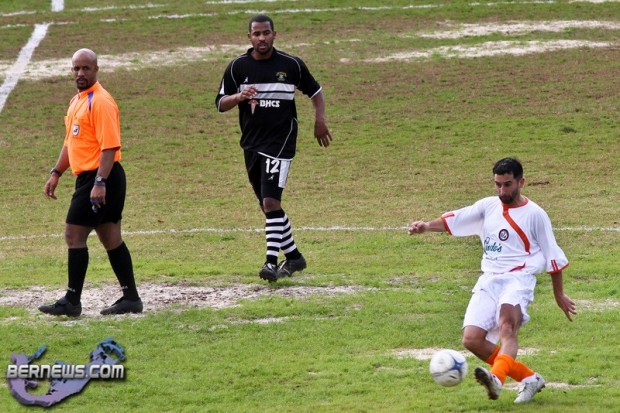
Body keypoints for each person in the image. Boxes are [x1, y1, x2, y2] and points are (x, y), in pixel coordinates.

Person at [408, 157, 576, 403]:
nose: (502, 191)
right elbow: (454, 220)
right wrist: (425, 226)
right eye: (498, 184)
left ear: (521, 182)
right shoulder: (487, 206)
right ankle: (530, 378)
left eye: (507, 185)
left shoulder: (536, 215)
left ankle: (496, 378)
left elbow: (553, 255)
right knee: (471, 339)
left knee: (507, 327)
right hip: (489, 279)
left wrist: (558, 294)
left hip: (518, 279)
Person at [215, 14, 332, 282]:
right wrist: (239, 96)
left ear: (274, 35)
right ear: (249, 37)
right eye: (256, 34)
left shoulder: (291, 65)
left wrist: (320, 121)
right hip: (251, 144)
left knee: (271, 202)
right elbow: (220, 103)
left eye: (266, 33)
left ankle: (270, 262)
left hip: (281, 142)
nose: (262, 38)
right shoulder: (237, 67)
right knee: (268, 207)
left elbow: (315, 92)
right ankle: (294, 257)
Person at [39, 48, 143, 317]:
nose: (80, 73)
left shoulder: (101, 102)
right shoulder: (77, 100)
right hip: (93, 177)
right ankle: (131, 298)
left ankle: (72, 301)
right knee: (110, 237)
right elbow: (70, 142)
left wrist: (100, 182)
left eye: (86, 68)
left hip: (102, 176)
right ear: (71, 70)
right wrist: (56, 172)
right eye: (76, 68)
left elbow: (110, 147)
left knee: (73, 234)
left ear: (96, 69)